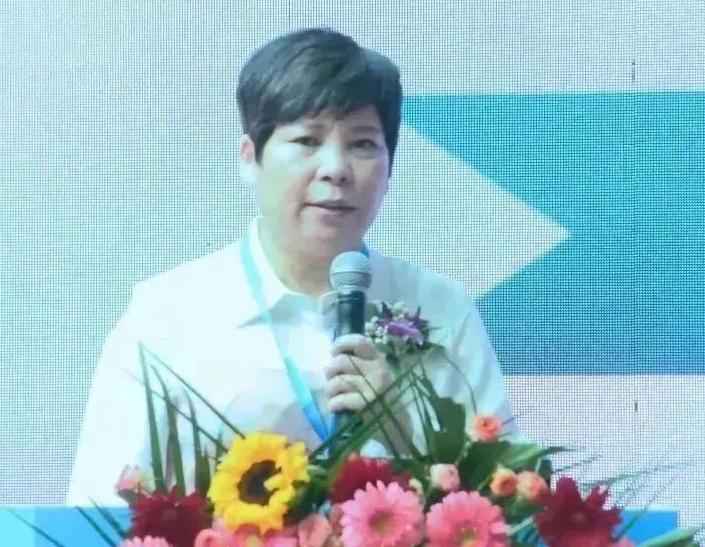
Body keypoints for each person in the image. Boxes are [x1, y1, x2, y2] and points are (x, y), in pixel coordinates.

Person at [66, 28, 519, 505]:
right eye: (307, 140)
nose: (336, 168)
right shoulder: (168, 313)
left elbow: (513, 508)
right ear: (250, 159)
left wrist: (406, 423)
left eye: (363, 144)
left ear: (390, 167)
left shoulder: (440, 309)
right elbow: (98, 507)